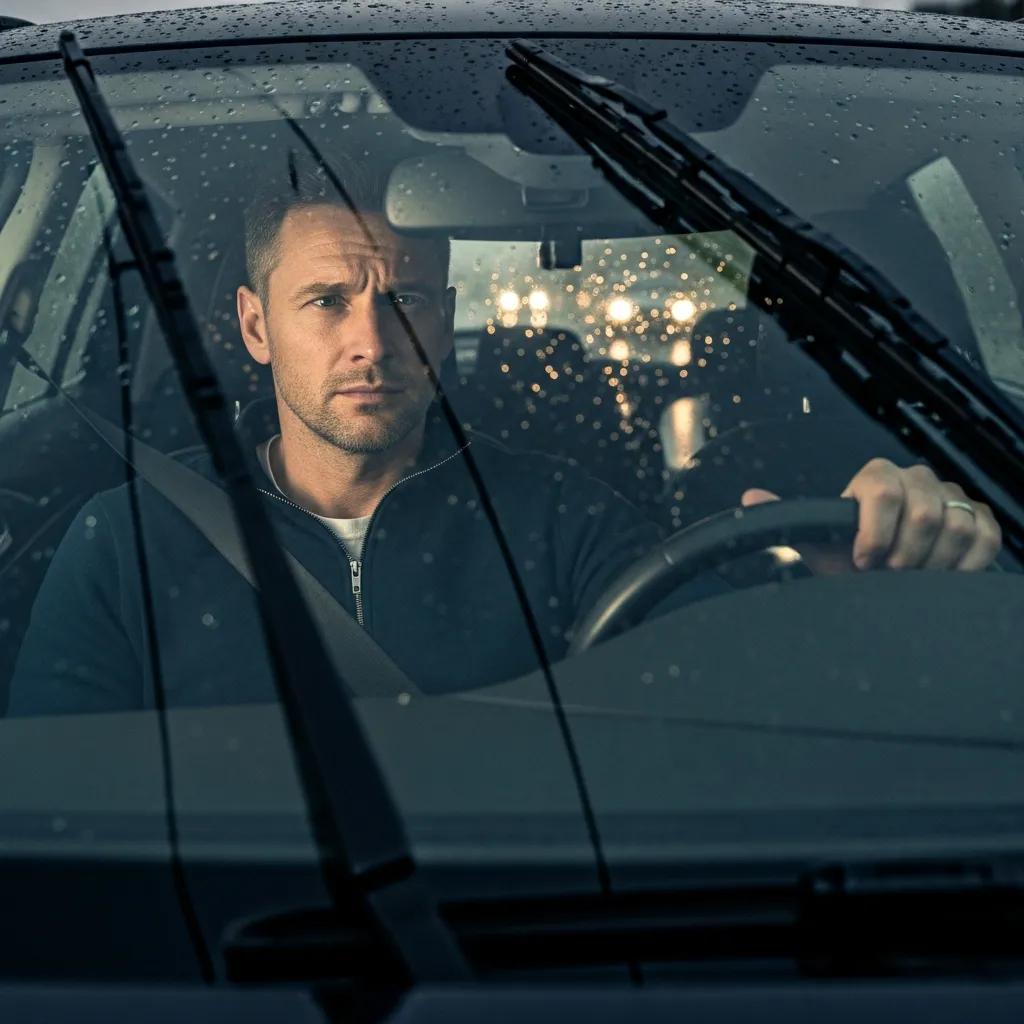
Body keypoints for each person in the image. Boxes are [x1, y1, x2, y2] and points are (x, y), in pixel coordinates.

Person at [6, 166, 1003, 715]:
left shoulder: (564, 518)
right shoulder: (127, 541)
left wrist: (855, 600)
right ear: (256, 326)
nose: (372, 342)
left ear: (446, 325)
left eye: (407, 301)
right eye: (327, 301)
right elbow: (58, 821)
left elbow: (730, 711)